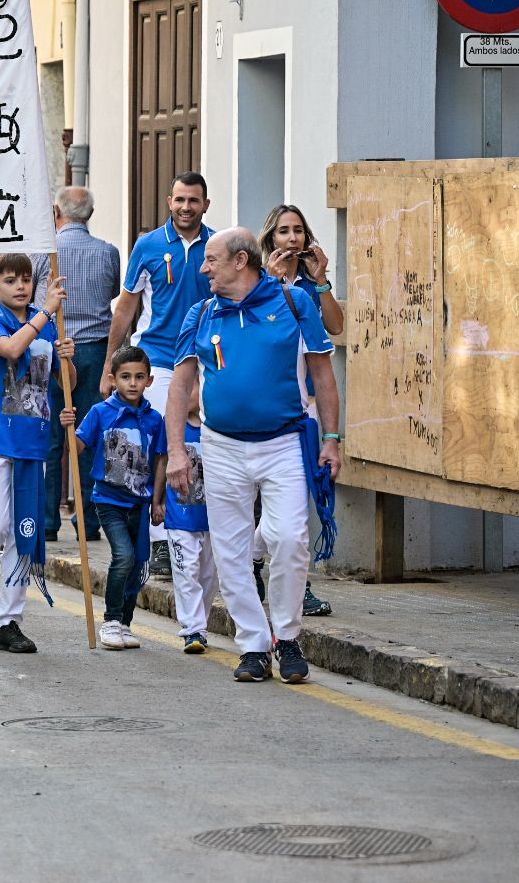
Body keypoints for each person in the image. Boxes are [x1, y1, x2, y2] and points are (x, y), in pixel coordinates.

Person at [167, 227, 341, 684]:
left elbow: (323, 375)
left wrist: (332, 438)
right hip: (221, 446)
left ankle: (287, 636)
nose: (203, 268)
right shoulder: (200, 314)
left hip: (283, 444)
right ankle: (253, 645)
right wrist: (176, 452)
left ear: (241, 261)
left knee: (290, 539)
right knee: (230, 552)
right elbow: (180, 386)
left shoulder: (294, 303)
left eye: (211, 259)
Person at [0, 254, 73, 655]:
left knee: (23, 529)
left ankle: (9, 619)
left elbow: (65, 380)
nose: (21, 287)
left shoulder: (47, 325)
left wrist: (66, 357)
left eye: (26, 279)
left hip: (32, 439)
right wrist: (46, 312)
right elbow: (11, 350)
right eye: (11, 280)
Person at [104, 172, 214, 579]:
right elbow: (126, 308)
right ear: (169, 201)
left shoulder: (217, 247)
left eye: (194, 200)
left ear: (205, 205)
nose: (186, 207)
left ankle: (195, 532)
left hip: (204, 360)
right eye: (180, 199)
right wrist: (110, 367)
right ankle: (159, 540)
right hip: (158, 360)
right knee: (158, 447)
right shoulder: (148, 246)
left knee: (203, 446)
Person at [257, 203, 345, 617]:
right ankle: (255, 564)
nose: (292, 238)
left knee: (297, 500)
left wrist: (322, 279)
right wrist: (272, 280)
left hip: (304, 409)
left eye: (298, 230)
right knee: (264, 502)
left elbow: (336, 326)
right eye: (284, 231)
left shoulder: (310, 286)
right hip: (263, 407)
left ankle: (298, 585)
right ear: (270, 238)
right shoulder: (256, 283)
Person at [39, 187, 121, 542]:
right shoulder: (108, 252)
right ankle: (87, 520)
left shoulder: (46, 253)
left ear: (57, 212)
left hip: (54, 346)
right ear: (90, 213)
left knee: (51, 437)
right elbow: (113, 291)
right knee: (90, 434)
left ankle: (47, 521)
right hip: (96, 350)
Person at [74, 346, 168, 650]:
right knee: (124, 557)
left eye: (139, 377)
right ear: (113, 379)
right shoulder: (100, 412)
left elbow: (161, 460)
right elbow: (77, 446)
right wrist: (68, 427)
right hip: (109, 500)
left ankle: (126, 623)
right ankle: (111, 620)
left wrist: (158, 501)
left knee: (138, 564)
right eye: (125, 377)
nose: (132, 383)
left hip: (141, 502)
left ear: (149, 380)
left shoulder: (155, 420)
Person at [164, 393, 216, 653]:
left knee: (209, 576)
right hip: (181, 517)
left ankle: (200, 624)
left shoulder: (219, 427)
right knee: (186, 571)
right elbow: (159, 462)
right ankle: (192, 629)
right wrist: (157, 501)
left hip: (215, 520)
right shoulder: (172, 427)